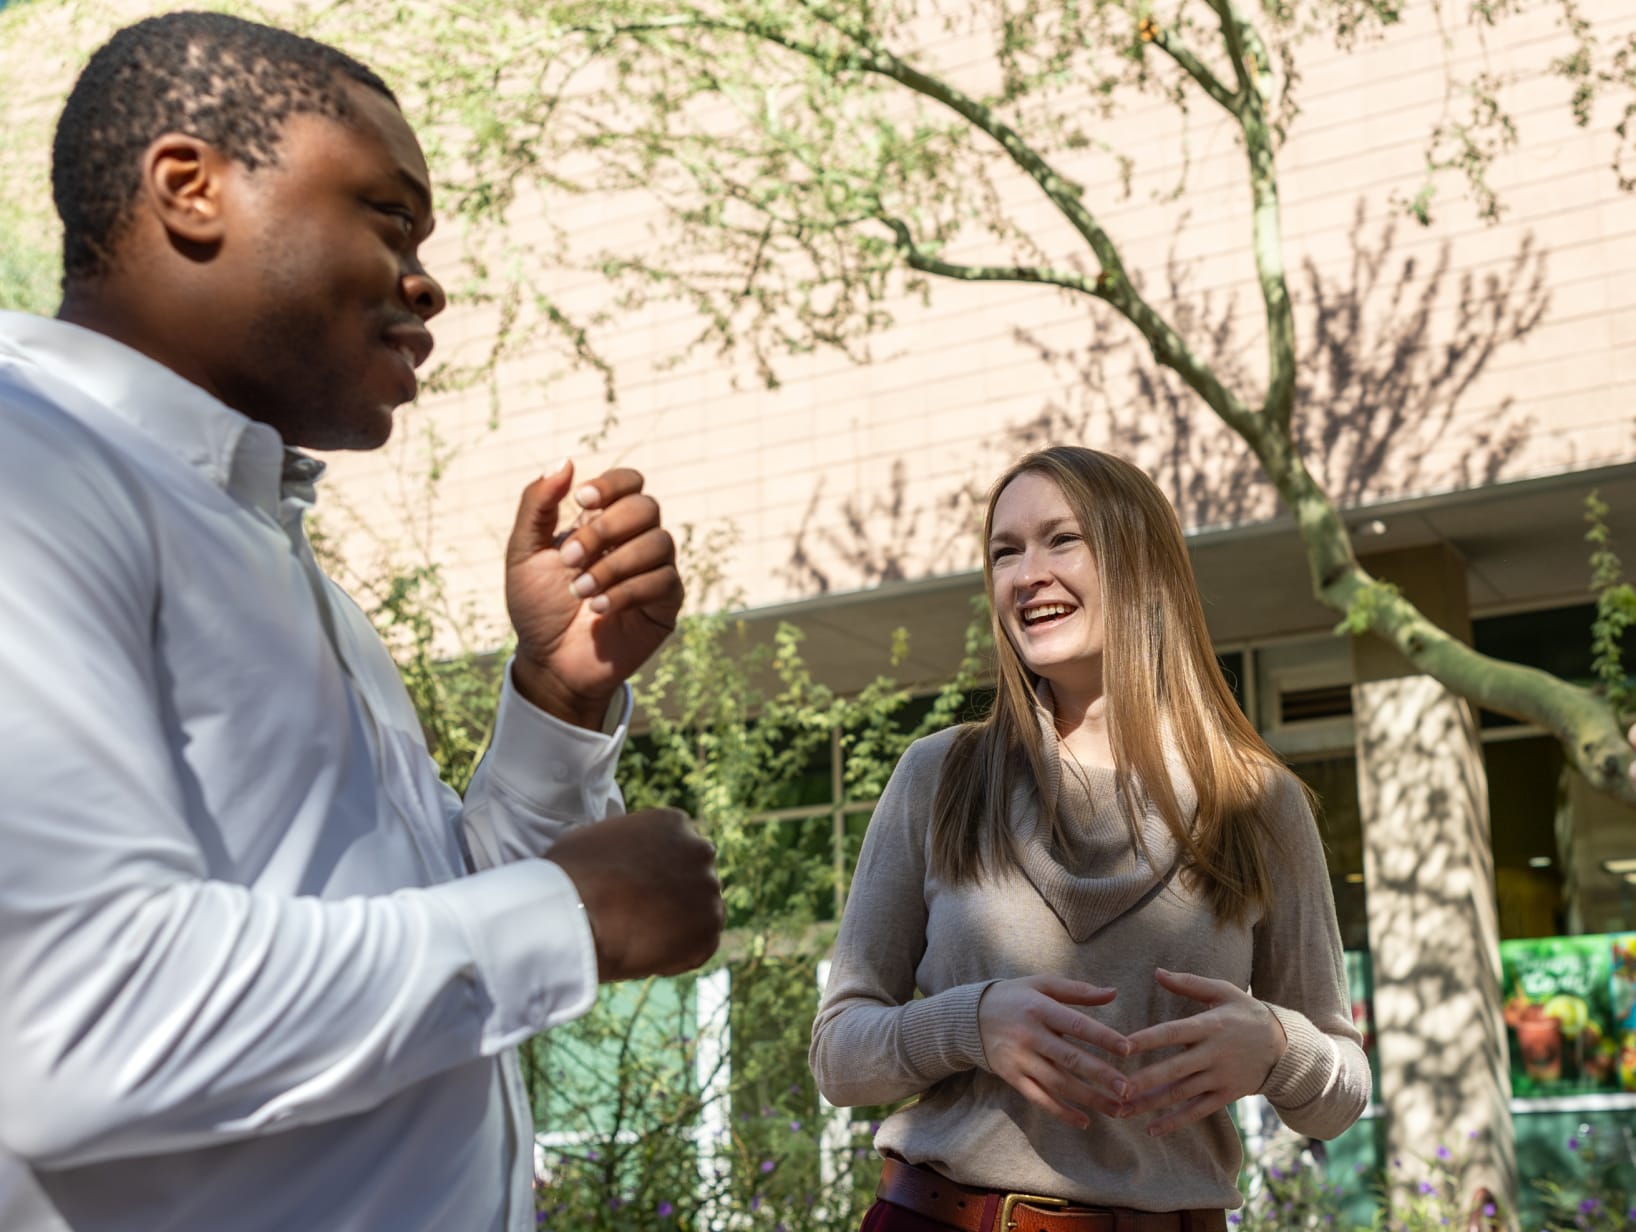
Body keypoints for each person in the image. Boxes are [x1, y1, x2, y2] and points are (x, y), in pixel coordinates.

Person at [0, 12, 723, 1231]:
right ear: (191, 188)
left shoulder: (259, 540)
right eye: (391, 217)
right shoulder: (34, 478)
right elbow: (75, 1018)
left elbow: (417, 929)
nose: (428, 278)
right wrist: (571, 914)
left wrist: (559, 693)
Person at [810, 446, 1369, 1232]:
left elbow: (1341, 1090)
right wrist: (971, 1024)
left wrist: (1278, 1046)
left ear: (1140, 564)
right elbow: (838, 1053)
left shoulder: (1256, 801)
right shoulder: (938, 776)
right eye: (1006, 552)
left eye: (1059, 540)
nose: (1025, 574)